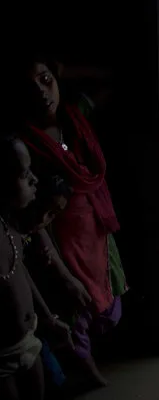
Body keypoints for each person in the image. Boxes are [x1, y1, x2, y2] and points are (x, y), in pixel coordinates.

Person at [12, 51, 127, 388]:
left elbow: (111, 79)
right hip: (60, 243)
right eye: (29, 87)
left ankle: (96, 370)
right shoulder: (23, 145)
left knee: (108, 306)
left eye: (46, 81)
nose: (41, 93)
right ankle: (93, 381)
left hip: (97, 233)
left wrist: (67, 70)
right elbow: (34, 221)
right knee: (74, 316)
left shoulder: (75, 121)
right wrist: (60, 272)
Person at [0, 134, 74, 400]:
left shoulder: (12, 231)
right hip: (4, 356)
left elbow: (20, 274)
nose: (34, 180)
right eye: (23, 174)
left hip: (29, 339)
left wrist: (48, 317)